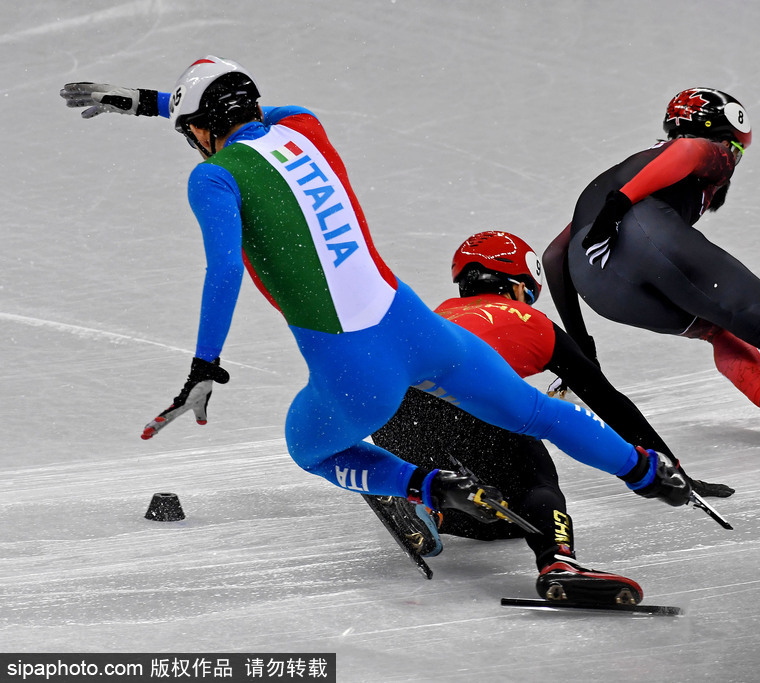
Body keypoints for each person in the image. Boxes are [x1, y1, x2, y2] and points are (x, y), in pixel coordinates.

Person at [58, 58, 698, 599]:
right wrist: (155, 101)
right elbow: (252, 112)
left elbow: (224, 270)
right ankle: (647, 474)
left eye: (188, 129)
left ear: (200, 129)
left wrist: (203, 367)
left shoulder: (213, 178)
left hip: (357, 372)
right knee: (534, 412)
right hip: (420, 330)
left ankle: (423, 485)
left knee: (308, 446)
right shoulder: (303, 126)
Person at [371, 230, 733, 603]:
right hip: (475, 397)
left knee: (497, 512)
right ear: (517, 286)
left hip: (392, 409)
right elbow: (609, 402)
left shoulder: (442, 313)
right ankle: (558, 563)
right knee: (535, 484)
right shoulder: (533, 320)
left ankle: (426, 505)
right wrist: (667, 465)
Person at [542, 88, 760, 457]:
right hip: (639, 232)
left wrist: (580, 345)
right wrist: (618, 207)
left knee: (718, 328)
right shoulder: (711, 151)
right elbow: (689, 149)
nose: (735, 160)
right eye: (739, 151)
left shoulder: (632, 164)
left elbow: (554, 256)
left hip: (597, 284)